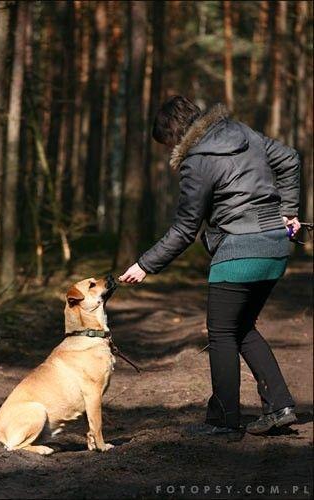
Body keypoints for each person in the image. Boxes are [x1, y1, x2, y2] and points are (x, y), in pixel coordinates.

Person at [119, 96, 300, 437]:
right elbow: (290, 158)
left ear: (174, 132)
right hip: (275, 246)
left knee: (221, 333)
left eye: (168, 141)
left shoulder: (197, 161)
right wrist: (289, 211)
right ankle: (280, 406)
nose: (170, 147)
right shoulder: (243, 132)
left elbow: (186, 228)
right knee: (242, 326)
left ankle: (224, 422)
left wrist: (145, 264)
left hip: (238, 250)